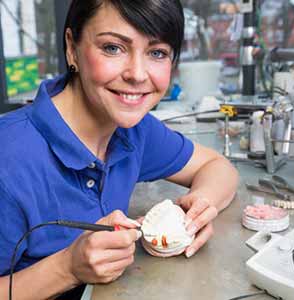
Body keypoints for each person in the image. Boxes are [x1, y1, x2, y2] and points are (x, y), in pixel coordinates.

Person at [0, 0, 238, 299]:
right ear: (72, 47)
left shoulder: (133, 130)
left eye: (157, 52)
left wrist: (199, 209)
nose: (137, 74)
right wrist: (67, 269)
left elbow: (218, 167)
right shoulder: (8, 159)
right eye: (113, 48)